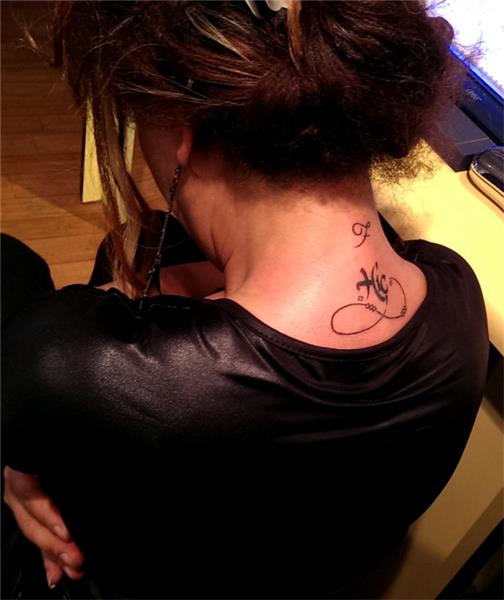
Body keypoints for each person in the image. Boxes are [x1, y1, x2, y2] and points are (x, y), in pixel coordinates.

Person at [2, 1, 489, 598]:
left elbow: (41, 420)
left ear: (182, 125)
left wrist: (15, 472)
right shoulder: (458, 291)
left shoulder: (62, 361)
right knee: (141, 238)